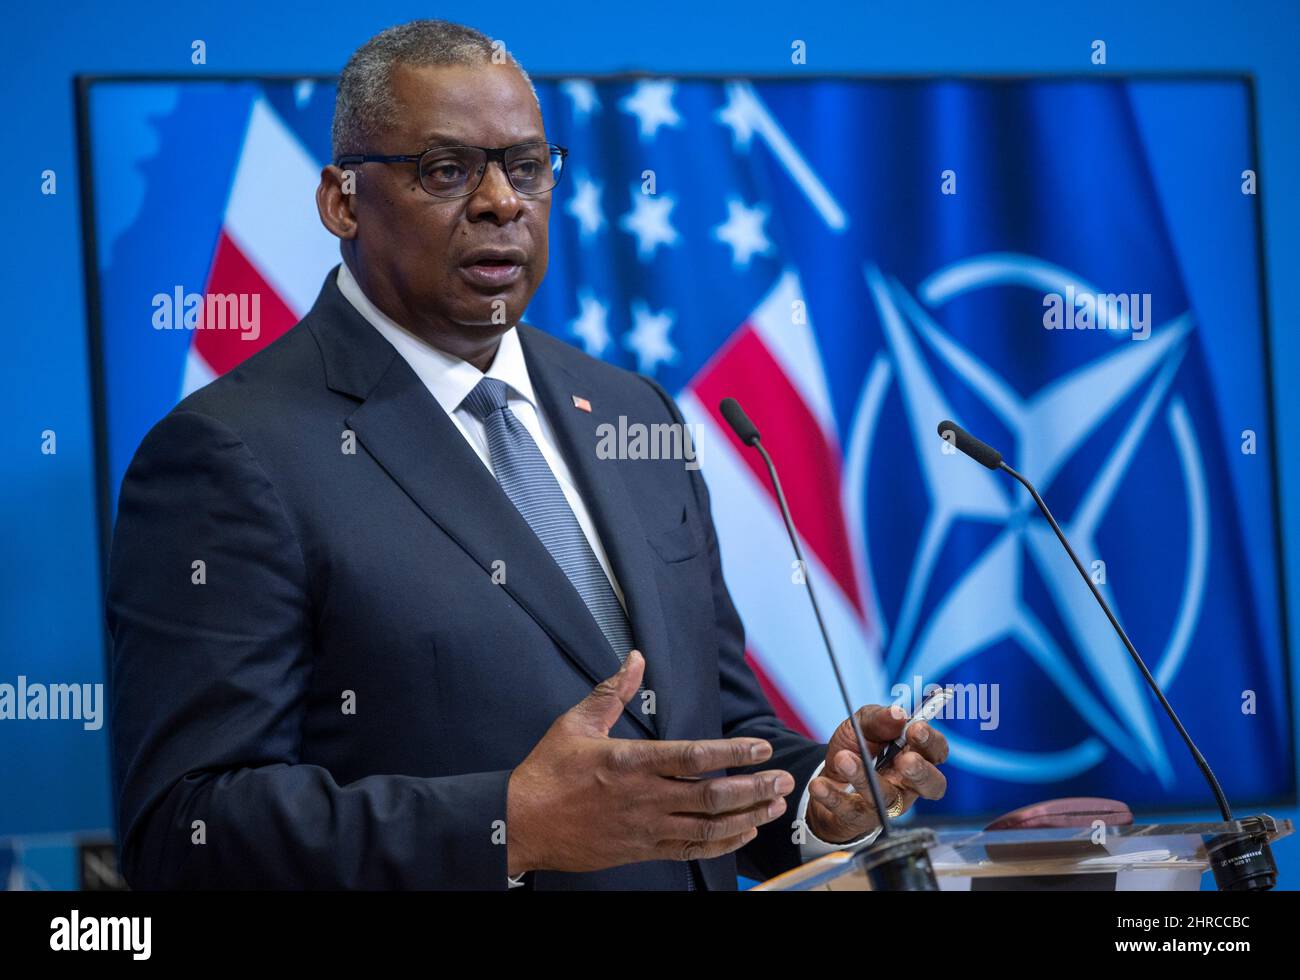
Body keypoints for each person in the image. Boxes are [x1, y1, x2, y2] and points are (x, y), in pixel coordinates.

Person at [107, 18, 948, 890]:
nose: (502, 201)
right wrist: (510, 826)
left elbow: (709, 728)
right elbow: (185, 829)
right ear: (342, 201)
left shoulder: (634, 412)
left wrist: (818, 797)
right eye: (446, 170)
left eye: (527, 167)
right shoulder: (233, 453)